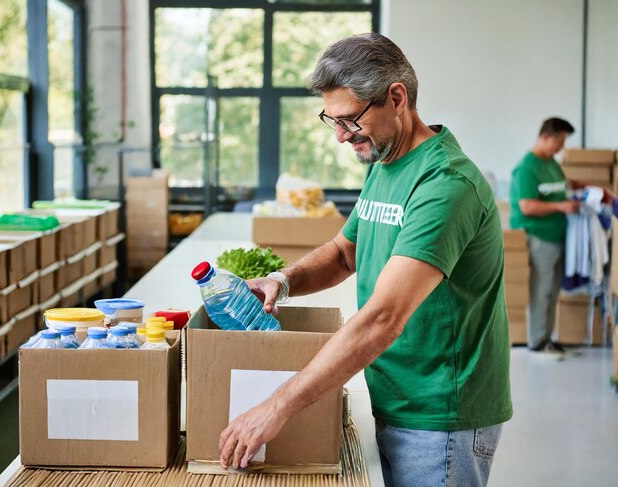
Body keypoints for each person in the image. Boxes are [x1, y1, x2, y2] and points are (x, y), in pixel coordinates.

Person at [218, 33, 512, 487]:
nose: (339, 136)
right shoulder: (385, 164)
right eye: (330, 120)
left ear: (397, 98)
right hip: (395, 396)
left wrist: (276, 406)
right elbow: (343, 252)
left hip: (440, 416)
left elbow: (383, 318)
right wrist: (282, 279)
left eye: (349, 120)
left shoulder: (445, 185)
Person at [510, 118, 580, 356]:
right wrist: (561, 207)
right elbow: (527, 206)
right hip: (539, 236)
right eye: (559, 142)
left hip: (558, 236)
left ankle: (547, 337)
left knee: (552, 289)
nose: (561, 148)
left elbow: (564, 185)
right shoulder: (527, 168)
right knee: (541, 290)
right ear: (546, 137)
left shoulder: (551, 163)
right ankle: (537, 341)